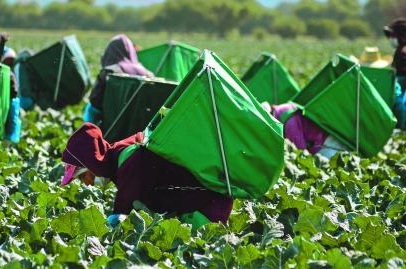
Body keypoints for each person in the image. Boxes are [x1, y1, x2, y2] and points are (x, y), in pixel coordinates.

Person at [60, 123, 233, 230]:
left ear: (91, 166)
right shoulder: (121, 152)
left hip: (206, 212)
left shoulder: (128, 161)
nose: (86, 184)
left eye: (83, 177)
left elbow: (120, 215)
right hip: (209, 201)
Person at [84, 34, 153, 124]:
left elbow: (94, 107)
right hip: (140, 130)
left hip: (111, 129)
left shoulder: (108, 73)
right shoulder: (149, 75)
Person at [269, 103, 348, 158]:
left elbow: (301, 152)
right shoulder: (287, 108)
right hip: (330, 137)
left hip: (325, 147)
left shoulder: (288, 122)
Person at [384, 18, 406, 128]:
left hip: (402, 83)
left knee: (399, 105)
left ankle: (401, 129)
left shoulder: (404, 51)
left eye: (394, 35)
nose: (392, 39)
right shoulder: (400, 49)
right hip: (399, 81)